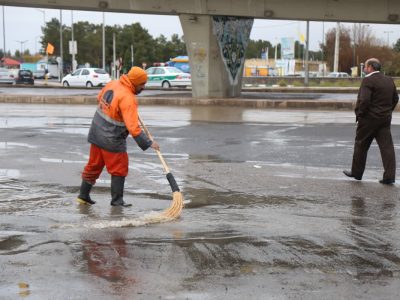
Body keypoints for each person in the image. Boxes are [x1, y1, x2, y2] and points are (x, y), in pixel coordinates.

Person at [76, 66, 160, 207]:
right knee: (119, 169)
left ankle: (83, 196)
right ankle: (117, 201)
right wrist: (149, 143)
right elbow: (134, 128)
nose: (144, 87)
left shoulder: (113, 83)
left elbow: (100, 98)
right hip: (111, 139)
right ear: (134, 82)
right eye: (142, 84)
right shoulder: (128, 98)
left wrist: (118, 110)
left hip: (96, 132)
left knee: (93, 166)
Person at [343, 58, 399, 184]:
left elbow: (365, 100)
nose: (364, 69)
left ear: (370, 68)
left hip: (368, 120)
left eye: (365, 67)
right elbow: (395, 98)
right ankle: (389, 176)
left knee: (361, 145)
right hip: (384, 119)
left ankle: (356, 173)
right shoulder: (388, 80)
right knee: (387, 148)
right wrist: (387, 111)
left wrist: (360, 114)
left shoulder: (368, 80)